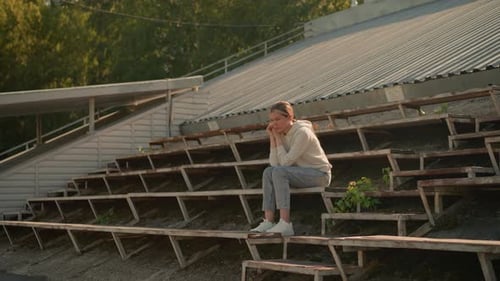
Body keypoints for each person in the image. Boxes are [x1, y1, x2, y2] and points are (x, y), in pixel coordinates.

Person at [250, 101, 332, 236]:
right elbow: (274, 163)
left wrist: (277, 138)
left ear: (289, 117)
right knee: (268, 172)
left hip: (319, 175)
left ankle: (285, 223)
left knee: (279, 172)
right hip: (299, 173)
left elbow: (285, 163)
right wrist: (273, 137)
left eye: (278, 119)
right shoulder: (281, 133)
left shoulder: (302, 133)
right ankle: (269, 221)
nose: (274, 124)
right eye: (271, 120)